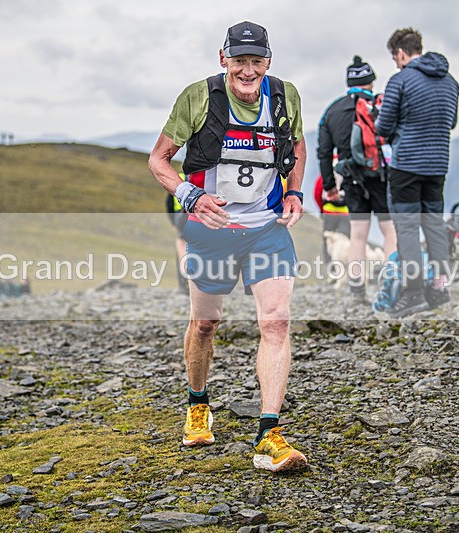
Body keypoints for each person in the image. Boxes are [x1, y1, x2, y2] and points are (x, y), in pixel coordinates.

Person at [148, 21, 308, 473]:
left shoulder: (284, 95)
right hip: (210, 227)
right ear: (224, 59)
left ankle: (269, 435)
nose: (247, 69)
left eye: (256, 60)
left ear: (268, 63)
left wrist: (294, 192)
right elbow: (158, 159)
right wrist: (191, 196)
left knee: (276, 321)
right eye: (239, 59)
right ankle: (198, 405)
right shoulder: (198, 97)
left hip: (266, 228)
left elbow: (296, 144)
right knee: (205, 323)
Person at [375, 28, 459, 317]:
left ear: (400, 53)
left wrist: (399, 130)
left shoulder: (400, 80)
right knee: (434, 224)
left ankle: (413, 294)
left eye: (395, 58)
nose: (396, 63)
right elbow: (452, 122)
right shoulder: (451, 82)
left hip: (407, 165)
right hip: (438, 164)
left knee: (407, 226)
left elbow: (383, 128)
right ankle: (439, 288)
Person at [318, 56, 397, 302]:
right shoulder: (381, 105)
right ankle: (392, 284)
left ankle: (356, 289)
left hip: (351, 180)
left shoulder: (332, 110)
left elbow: (323, 151)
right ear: (371, 82)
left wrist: (330, 185)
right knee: (389, 231)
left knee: (358, 234)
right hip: (381, 178)